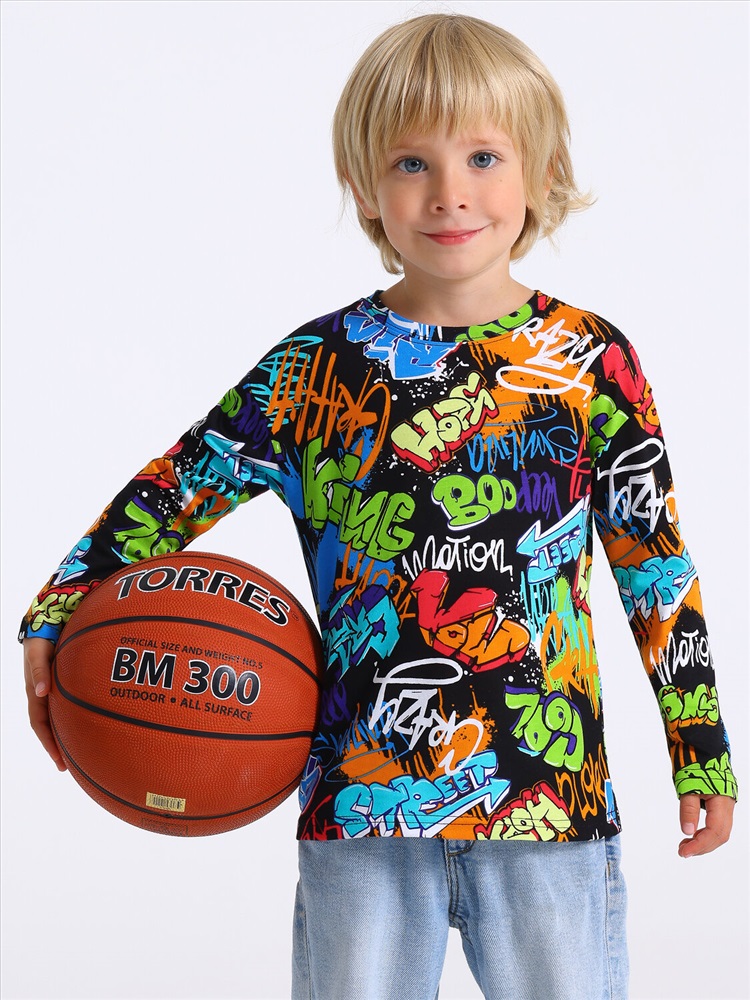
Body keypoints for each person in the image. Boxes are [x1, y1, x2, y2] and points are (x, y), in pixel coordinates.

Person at [21, 13, 736, 1000]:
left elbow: (654, 563)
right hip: (360, 805)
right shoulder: (315, 369)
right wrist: (59, 606)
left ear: (540, 169)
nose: (449, 193)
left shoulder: (590, 361)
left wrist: (700, 747)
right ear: (362, 185)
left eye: (483, 157)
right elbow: (177, 485)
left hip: (548, 800)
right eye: (410, 163)